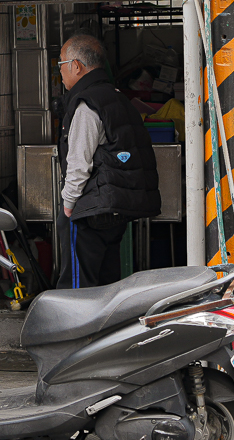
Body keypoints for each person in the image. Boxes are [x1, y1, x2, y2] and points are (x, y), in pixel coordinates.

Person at [56, 33, 161, 288]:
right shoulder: (117, 97)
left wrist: (68, 205)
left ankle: (79, 328)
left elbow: (79, 164)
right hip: (115, 209)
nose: (59, 71)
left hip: (89, 210)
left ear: (76, 66)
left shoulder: (86, 105)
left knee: (78, 285)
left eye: (60, 63)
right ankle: (104, 328)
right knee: (106, 283)